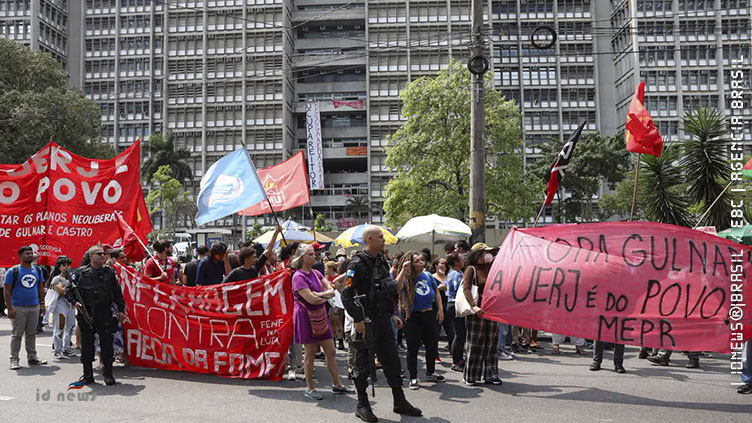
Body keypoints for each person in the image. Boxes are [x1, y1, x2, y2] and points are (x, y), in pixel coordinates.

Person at [342, 226, 422, 423]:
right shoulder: (357, 264)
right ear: (369, 239)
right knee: (362, 366)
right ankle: (362, 404)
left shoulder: (381, 261)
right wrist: (358, 319)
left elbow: (388, 288)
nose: (383, 239)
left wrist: (392, 313)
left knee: (393, 362)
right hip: (366, 322)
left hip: (383, 320)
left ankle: (399, 401)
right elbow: (346, 294)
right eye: (380, 237)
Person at [289, 244, 355, 400]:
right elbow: (311, 298)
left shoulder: (316, 272)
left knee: (330, 351)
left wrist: (320, 295)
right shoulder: (298, 276)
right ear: (301, 257)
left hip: (320, 313)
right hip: (305, 315)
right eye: (310, 254)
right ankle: (310, 388)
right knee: (310, 353)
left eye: (314, 254)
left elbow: (330, 290)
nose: (314, 256)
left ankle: (337, 384)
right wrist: (325, 295)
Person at [65, 245, 126, 385]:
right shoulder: (80, 273)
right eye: (99, 253)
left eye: (104, 254)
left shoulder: (109, 272)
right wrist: (75, 303)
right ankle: (87, 375)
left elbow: (117, 293)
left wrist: (121, 310)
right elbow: (69, 291)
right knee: (86, 346)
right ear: (91, 256)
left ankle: (108, 375)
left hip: (104, 312)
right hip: (86, 313)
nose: (103, 256)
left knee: (107, 345)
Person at [396, 252, 445, 390]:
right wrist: (403, 270)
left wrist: (440, 309)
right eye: (417, 261)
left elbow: (436, 292)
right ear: (410, 264)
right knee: (413, 348)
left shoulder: (428, 275)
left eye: (421, 261)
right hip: (412, 316)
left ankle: (431, 372)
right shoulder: (406, 277)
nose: (421, 263)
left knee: (432, 344)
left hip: (428, 313)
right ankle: (413, 377)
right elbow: (397, 287)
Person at [461, 243, 502, 386]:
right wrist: (474, 306)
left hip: (491, 311)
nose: (489, 255)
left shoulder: (492, 268)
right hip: (476, 311)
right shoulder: (471, 269)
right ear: (478, 254)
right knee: (475, 344)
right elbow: (466, 289)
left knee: (491, 344)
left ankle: (491, 375)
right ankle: (470, 376)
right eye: (486, 252)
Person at [4, 246, 48, 370]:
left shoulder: (37, 270)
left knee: (31, 334)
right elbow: (6, 291)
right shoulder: (13, 271)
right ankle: (14, 359)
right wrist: (10, 308)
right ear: (20, 256)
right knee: (17, 334)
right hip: (18, 307)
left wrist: (42, 304)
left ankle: (32, 357)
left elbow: (40, 287)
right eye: (27, 254)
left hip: (34, 307)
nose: (30, 255)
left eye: (31, 253)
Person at [47, 256, 77, 360]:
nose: (67, 267)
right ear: (59, 267)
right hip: (60, 305)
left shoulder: (72, 277)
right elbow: (61, 290)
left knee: (70, 327)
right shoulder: (57, 278)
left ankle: (66, 348)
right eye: (64, 265)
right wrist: (71, 286)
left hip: (71, 305)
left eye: (68, 265)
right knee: (59, 328)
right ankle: (57, 350)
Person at [445, 252, 466, 371]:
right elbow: (460, 289)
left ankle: (460, 358)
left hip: (456, 303)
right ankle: (456, 361)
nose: (463, 261)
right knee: (459, 334)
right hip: (455, 304)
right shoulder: (455, 274)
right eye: (461, 259)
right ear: (456, 262)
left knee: (461, 333)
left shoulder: (457, 273)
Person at [432, 257, 454, 359]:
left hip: (447, 306)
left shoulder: (448, 277)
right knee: (435, 332)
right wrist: (438, 288)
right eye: (441, 263)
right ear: (436, 265)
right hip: (436, 307)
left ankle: (453, 352)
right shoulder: (432, 277)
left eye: (445, 264)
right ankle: (435, 355)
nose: (443, 266)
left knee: (451, 331)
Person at [324, 261, 346, 350]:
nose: (324, 270)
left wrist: (332, 285)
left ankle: (340, 341)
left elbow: (341, 286)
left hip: (337, 302)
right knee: (331, 322)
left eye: (326, 268)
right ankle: (333, 341)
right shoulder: (325, 278)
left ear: (330, 269)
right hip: (328, 302)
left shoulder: (338, 277)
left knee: (338, 321)